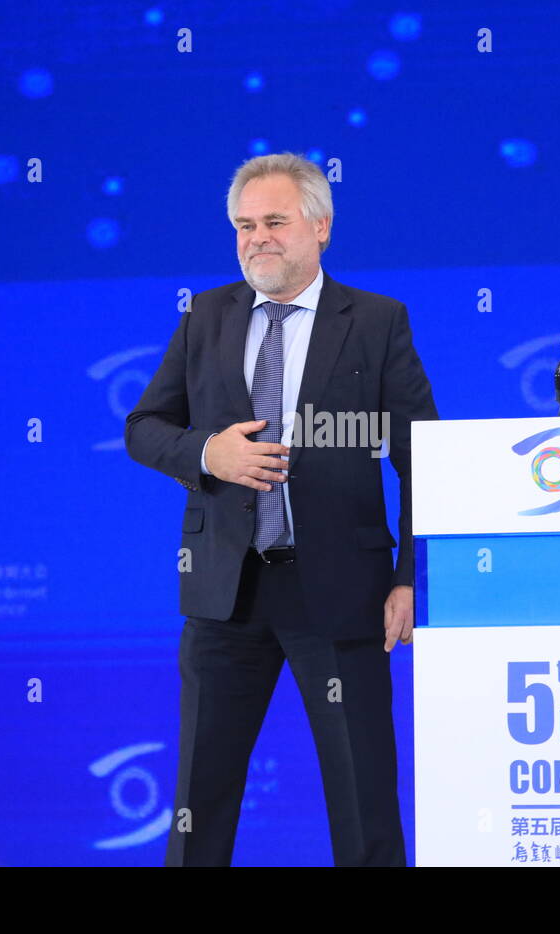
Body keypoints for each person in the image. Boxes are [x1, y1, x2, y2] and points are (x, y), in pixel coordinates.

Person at [125, 152, 438, 866]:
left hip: (339, 593)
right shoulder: (205, 315)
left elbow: (423, 457)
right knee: (198, 804)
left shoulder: (377, 322)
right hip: (225, 594)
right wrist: (211, 455)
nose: (256, 238)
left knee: (364, 801)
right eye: (243, 225)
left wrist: (409, 576)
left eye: (274, 221)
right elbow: (144, 427)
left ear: (320, 227)